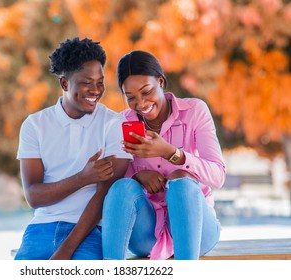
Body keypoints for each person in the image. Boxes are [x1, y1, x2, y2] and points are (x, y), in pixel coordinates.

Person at [14, 37, 132, 260]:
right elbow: (34, 196)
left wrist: (65, 250)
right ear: (64, 84)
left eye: (100, 82)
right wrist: (83, 178)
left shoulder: (114, 124)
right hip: (41, 228)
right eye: (87, 82)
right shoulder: (35, 125)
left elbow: (105, 195)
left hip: (89, 230)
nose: (96, 90)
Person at [102, 50, 226, 260]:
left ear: (160, 81)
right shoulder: (122, 123)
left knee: (183, 183)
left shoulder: (195, 111)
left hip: (197, 230)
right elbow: (116, 190)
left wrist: (172, 153)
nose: (140, 103)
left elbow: (218, 176)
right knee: (121, 187)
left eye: (146, 91)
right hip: (147, 232)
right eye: (130, 97)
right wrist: (137, 177)